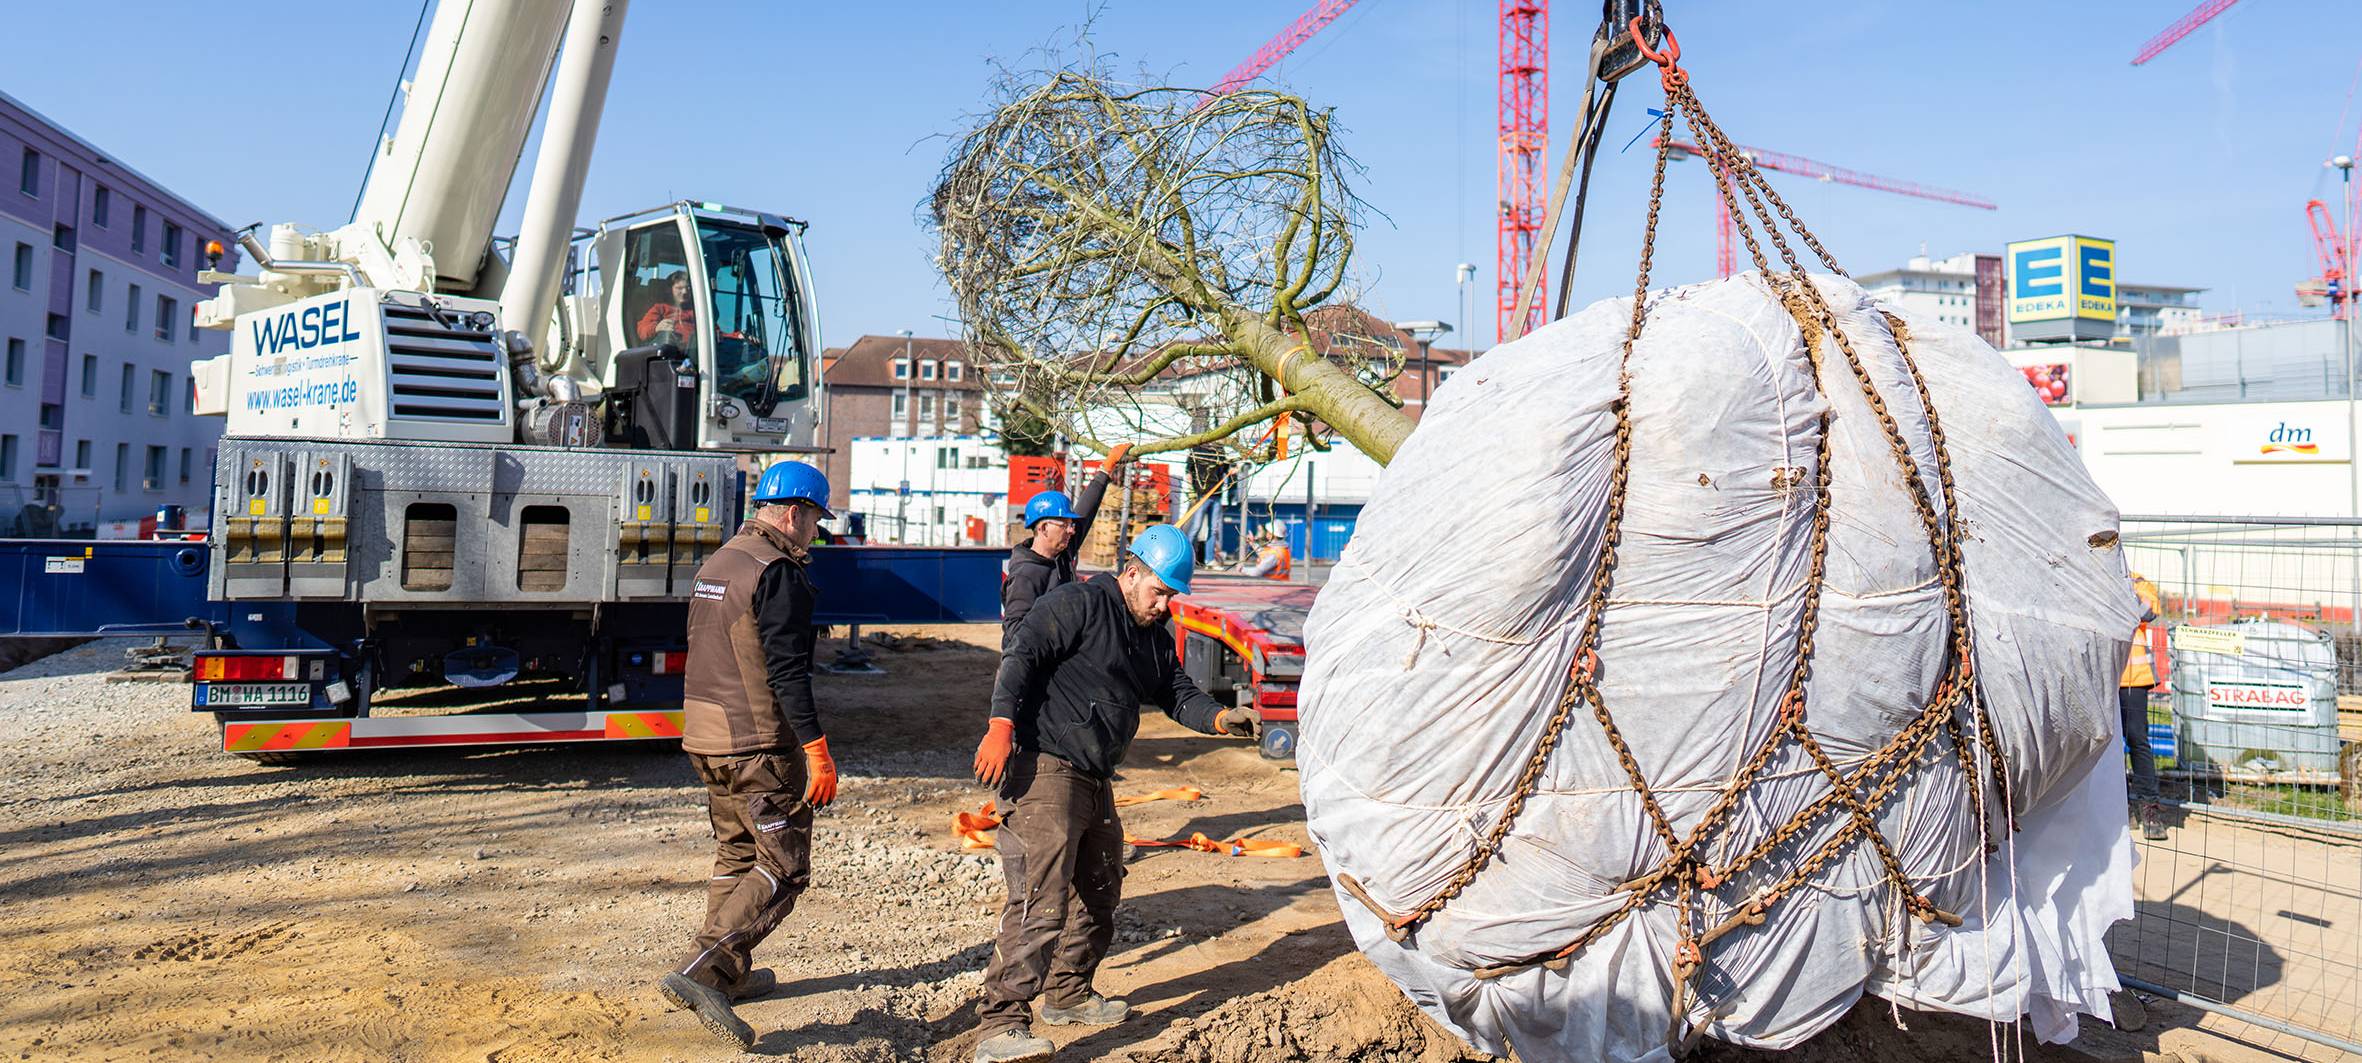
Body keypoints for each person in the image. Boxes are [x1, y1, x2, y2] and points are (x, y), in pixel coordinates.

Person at [967, 525, 1258, 1063]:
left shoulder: (1150, 633)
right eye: (1159, 591)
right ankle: (1000, 1025)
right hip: (1044, 764)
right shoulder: (1077, 603)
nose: (1165, 603)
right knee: (1040, 900)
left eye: (1172, 594)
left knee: (1100, 893)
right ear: (1131, 573)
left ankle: (1068, 994)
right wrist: (1001, 725)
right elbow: (1022, 655)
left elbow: (1173, 691)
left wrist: (1220, 718)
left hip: (1095, 777)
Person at [659, 461, 841, 1049]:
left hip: (705, 738)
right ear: (793, 513)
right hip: (757, 745)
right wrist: (816, 750)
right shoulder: (778, 572)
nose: (816, 531)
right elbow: (788, 671)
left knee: (738, 852)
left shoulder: (721, 561)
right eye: (815, 519)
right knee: (784, 866)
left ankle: (726, 973)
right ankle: (701, 971)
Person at [1002, 444, 1131, 643]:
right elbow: (1015, 632)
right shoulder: (1026, 575)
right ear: (1043, 528)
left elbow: (1085, 515)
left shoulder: (1061, 553)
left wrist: (1106, 469)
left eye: (1071, 524)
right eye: (1064, 525)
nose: (1072, 530)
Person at [2121, 571, 2168, 841]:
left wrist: (2121, 589)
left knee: (2138, 740)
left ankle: (2149, 808)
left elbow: (2148, 612)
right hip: (2102, 678)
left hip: (2134, 679)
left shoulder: (2139, 584)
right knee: (2107, 748)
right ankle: (2118, 807)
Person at [639, 274, 698, 345]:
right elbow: (642, 330)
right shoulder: (660, 308)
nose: (685, 292)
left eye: (688, 288)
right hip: (672, 350)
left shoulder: (697, 310)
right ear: (669, 290)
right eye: (679, 288)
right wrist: (656, 328)